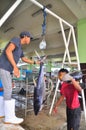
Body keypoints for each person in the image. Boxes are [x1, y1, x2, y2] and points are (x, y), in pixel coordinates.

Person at [0, 31, 40, 124]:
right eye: (30, 37)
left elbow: (24, 59)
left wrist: (35, 62)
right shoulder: (16, 40)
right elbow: (8, 51)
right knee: (8, 89)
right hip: (4, 67)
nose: (30, 39)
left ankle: (1, 112)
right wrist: (15, 67)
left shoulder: (20, 49)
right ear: (25, 37)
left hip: (7, 69)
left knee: (7, 90)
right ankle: (9, 117)